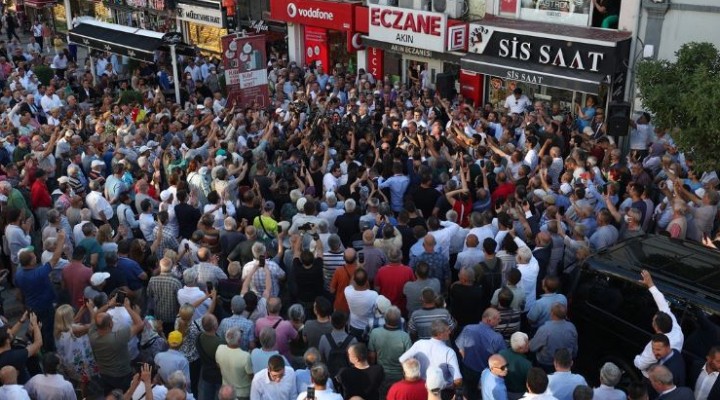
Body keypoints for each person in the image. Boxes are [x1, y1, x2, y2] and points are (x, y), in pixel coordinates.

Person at [88, 293, 144, 394]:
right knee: (125, 394)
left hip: (105, 374)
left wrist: (109, 305)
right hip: (122, 375)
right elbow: (140, 324)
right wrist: (128, 307)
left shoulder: (92, 335)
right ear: (110, 324)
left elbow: (95, 317)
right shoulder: (118, 338)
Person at [634, 270, 684, 377]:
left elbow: (641, 364)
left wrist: (637, 358)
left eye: (653, 320)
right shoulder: (676, 329)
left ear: (656, 328)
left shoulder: (655, 346)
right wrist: (650, 285)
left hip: (652, 377)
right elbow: (662, 304)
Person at [399, 320, 462, 396]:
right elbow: (458, 380)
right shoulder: (449, 352)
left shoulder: (419, 344)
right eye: (447, 330)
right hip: (442, 392)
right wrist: (446, 385)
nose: (449, 332)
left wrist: (411, 375)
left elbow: (402, 360)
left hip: (420, 390)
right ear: (440, 334)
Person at [455, 307, 507, 399]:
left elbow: (460, 349)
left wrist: (467, 360)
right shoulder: (497, 338)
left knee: (468, 392)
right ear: (489, 320)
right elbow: (501, 357)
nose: (500, 320)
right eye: (498, 319)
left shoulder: (468, 328)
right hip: (485, 373)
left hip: (467, 369)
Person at [368, 306, 412, 395]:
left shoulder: (375, 333)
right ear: (399, 320)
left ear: (385, 319)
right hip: (400, 376)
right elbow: (409, 359)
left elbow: (371, 356)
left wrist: (373, 368)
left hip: (381, 374)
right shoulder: (405, 336)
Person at [529, 303, 578, 373]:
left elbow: (532, 347)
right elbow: (575, 349)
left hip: (546, 364)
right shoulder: (572, 327)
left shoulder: (545, 329)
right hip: (565, 362)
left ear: (552, 314)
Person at [216, 327, 254, 400]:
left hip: (226, 390)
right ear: (239, 341)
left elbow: (218, 365)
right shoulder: (245, 356)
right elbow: (250, 375)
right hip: (242, 393)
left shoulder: (219, 348)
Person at [500, 332, 533, 400]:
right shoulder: (527, 364)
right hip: (519, 393)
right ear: (520, 348)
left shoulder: (501, 354)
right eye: (527, 343)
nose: (529, 344)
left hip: (504, 390)